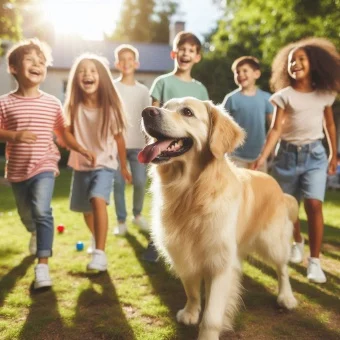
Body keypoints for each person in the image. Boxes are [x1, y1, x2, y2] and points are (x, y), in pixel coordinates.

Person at [252, 37, 340, 283]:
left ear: (314, 63)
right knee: (289, 207)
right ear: (286, 67)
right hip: (286, 157)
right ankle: (297, 242)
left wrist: (334, 153)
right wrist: (262, 157)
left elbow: (329, 124)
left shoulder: (325, 94)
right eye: (292, 60)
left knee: (314, 205)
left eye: (301, 59)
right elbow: (276, 130)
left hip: (315, 156)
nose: (296, 63)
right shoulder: (284, 96)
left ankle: (315, 262)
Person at [0, 38, 66, 289]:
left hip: (44, 166)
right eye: (30, 60)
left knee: (42, 210)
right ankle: (34, 231)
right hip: (17, 170)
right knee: (26, 215)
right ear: (14, 68)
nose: (37, 64)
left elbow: (62, 130)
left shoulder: (52, 103)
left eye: (42, 62)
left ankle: (42, 267)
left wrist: (75, 145)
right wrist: (14, 136)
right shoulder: (5, 103)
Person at [144, 31, 209, 262]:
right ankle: (156, 240)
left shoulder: (201, 90)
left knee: (191, 197)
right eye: (182, 49)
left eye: (191, 50)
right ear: (174, 53)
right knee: (163, 194)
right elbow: (153, 114)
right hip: (164, 146)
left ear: (197, 57)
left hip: (188, 154)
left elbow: (204, 123)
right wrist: (152, 146)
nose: (186, 53)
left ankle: (191, 242)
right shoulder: (162, 82)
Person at [63, 53, 132, 271]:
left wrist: (123, 165)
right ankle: (96, 238)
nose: (87, 74)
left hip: (106, 163)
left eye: (92, 71)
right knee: (86, 209)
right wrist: (82, 150)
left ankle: (100, 254)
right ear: (76, 79)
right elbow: (66, 134)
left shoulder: (110, 109)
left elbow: (119, 138)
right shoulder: (74, 107)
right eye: (82, 71)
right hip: (81, 165)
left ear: (101, 77)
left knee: (97, 199)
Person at [112, 44, 151, 236]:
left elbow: (148, 119)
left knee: (140, 181)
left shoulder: (143, 90)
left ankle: (137, 215)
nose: (127, 63)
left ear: (136, 63)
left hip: (138, 145)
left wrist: (149, 143)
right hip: (115, 144)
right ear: (117, 64)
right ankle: (121, 220)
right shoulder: (112, 87)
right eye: (123, 60)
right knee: (118, 183)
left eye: (130, 59)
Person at [222, 56, 273, 171]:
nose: (240, 74)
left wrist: (270, 152)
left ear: (256, 74)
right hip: (235, 156)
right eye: (237, 72)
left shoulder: (266, 98)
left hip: (259, 157)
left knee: (258, 187)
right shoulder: (231, 99)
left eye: (245, 71)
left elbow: (273, 126)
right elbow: (223, 126)